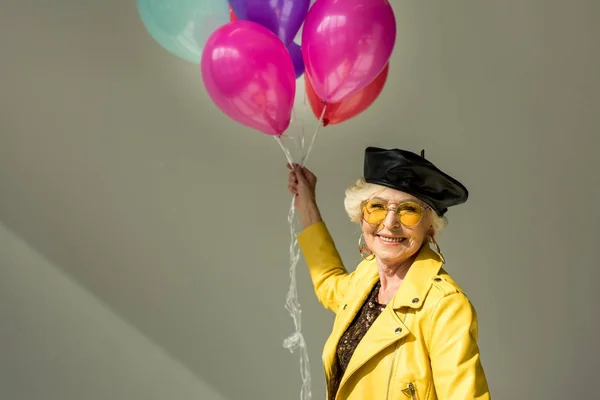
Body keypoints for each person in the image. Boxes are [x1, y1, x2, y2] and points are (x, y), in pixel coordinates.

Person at [286, 147, 490, 400]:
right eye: (377, 207)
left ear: (430, 228)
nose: (390, 223)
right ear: (362, 217)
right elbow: (330, 285)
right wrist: (306, 205)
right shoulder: (367, 277)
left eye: (409, 210)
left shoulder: (445, 306)